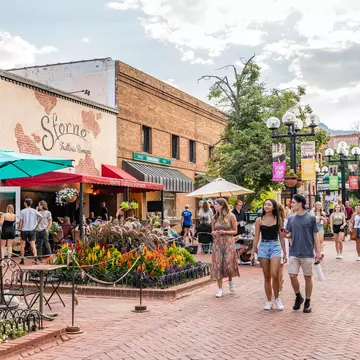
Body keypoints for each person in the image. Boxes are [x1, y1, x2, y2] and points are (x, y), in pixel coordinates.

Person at [286, 195, 321, 313]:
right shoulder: (291, 218)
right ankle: (298, 296)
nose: (291, 205)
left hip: (307, 253)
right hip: (294, 252)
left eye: (294, 203)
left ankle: (308, 301)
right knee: (292, 275)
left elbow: (315, 235)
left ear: (300, 203)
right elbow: (289, 234)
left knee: (307, 278)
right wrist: (284, 235)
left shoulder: (311, 218)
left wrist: (318, 251)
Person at [251, 199, 286, 311]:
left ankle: (277, 298)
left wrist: (284, 252)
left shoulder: (278, 219)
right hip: (264, 247)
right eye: (265, 204)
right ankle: (269, 300)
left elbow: (281, 236)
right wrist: (253, 251)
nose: (266, 206)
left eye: (269, 205)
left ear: (273, 207)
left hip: (275, 246)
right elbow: (256, 237)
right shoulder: (259, 220)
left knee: (275, 274)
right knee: (267, 276)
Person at [211, 198, 239, 298]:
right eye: (214, 204)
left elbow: (235, 231)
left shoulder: (231, 216)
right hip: (218, 243)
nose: (214, 206)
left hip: (229, 242)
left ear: (222, 205)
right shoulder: (214, 217)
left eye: (216, 204)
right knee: (218, 264)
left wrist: (225, 232)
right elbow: (213, 231)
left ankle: (230, 280)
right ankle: (220, 289)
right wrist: (214, 233)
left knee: (228, 263)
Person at [18, 198, 42, 265]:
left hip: (24, 230)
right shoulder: (34, 210)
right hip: (32, 230)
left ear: (25, 203)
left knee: (23, 245)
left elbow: (21, 222)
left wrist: (19, 229)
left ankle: (22, 260)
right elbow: (41, 216)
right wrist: (37, 224)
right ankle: (36, 260)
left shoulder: (22, 211)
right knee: (33, 245)